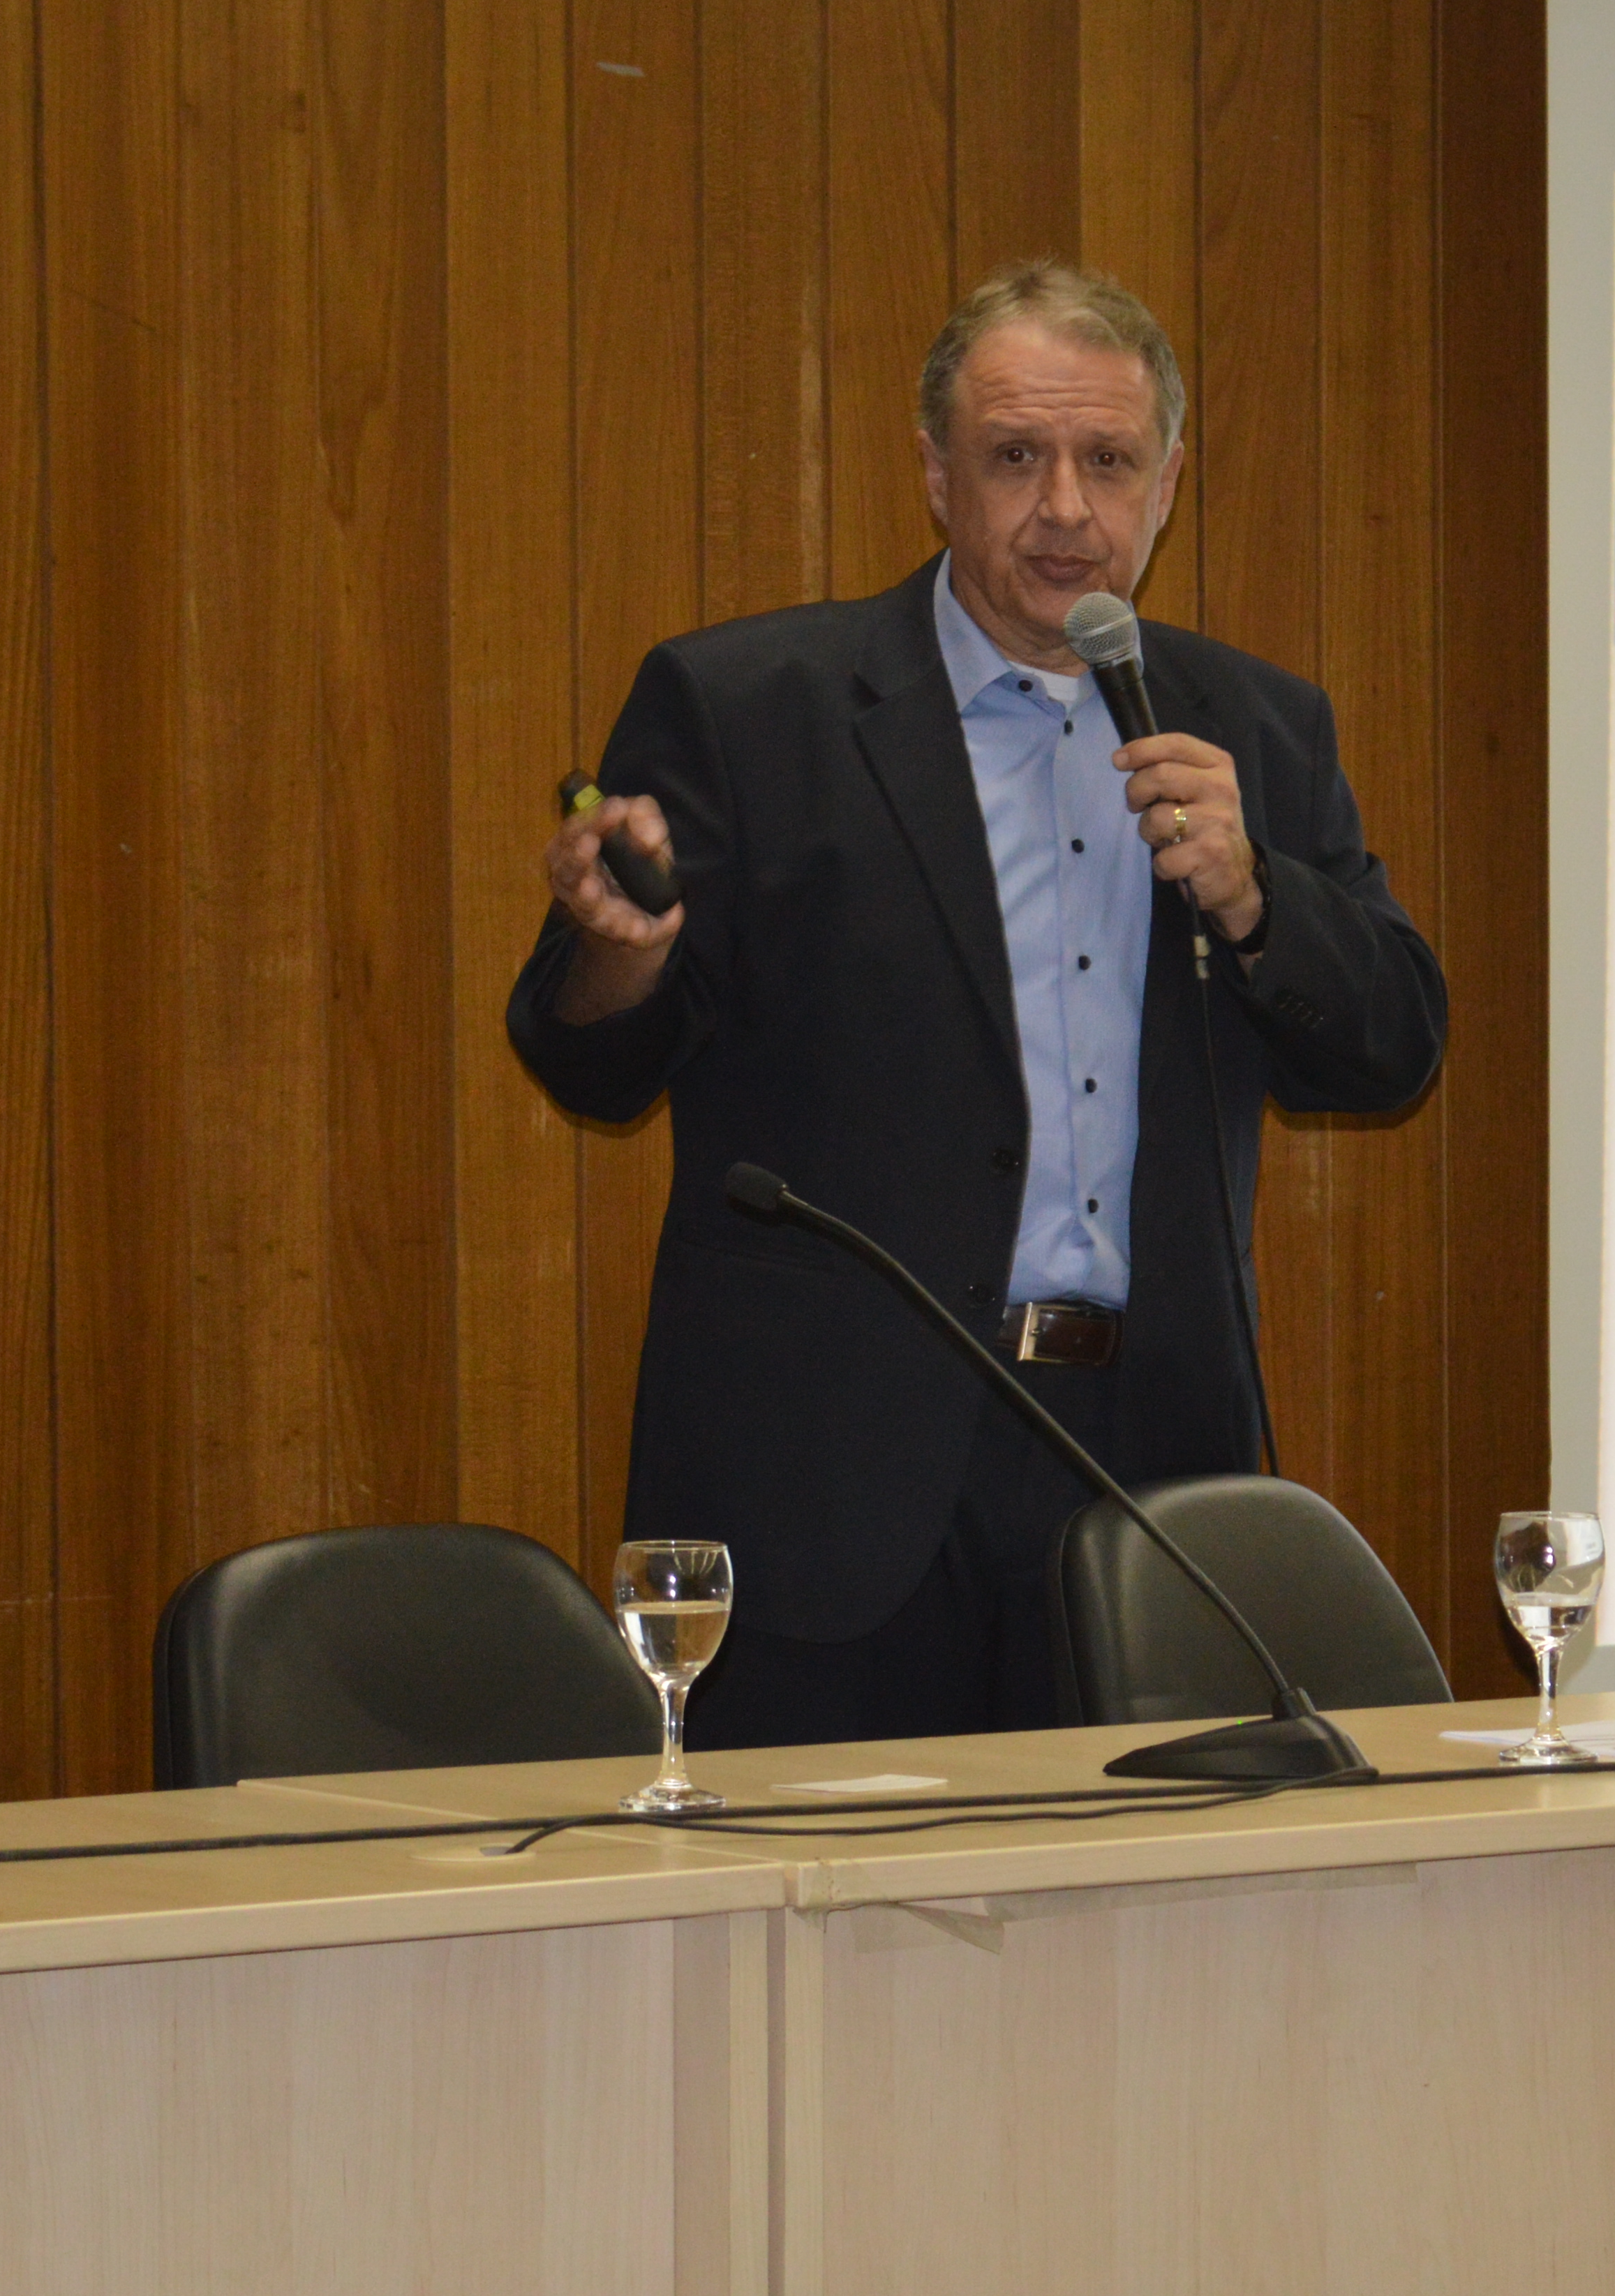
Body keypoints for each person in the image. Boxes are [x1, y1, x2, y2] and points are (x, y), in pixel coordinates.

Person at [506, 260, 1448, 1746]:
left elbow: (1395, 1046)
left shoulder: (1253, 725)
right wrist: (618, 944)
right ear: (937, 476)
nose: (1065, 507)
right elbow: (590, 1059)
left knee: (1144, 1891)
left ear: (1169, 484)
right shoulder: (750, 707)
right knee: (832, 1895)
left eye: (1109, 462)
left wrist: (1259, 893)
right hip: (834, 1471)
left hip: (1149, 1465)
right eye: (1015, 457)